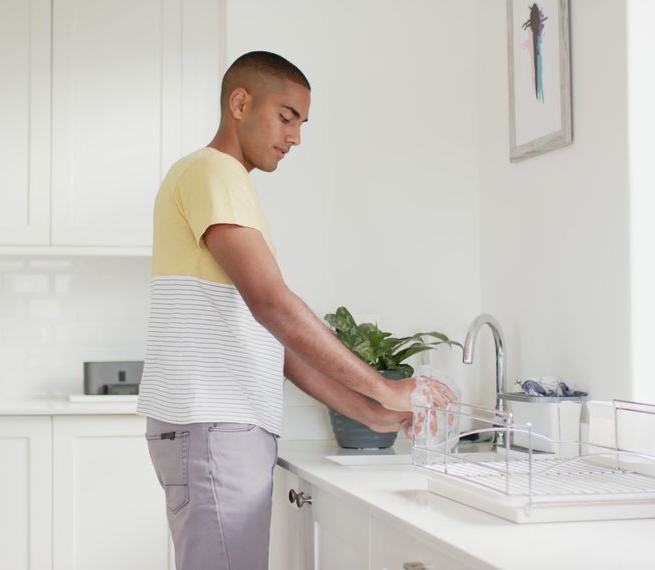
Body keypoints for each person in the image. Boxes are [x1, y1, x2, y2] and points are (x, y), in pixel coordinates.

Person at [136, 50, 455, 570]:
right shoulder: (214, 173)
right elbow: (274, 305)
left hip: (222, 427)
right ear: (240, 103)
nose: (295, 137)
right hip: (215, 424)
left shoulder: (225, 185)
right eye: (286, 116)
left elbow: (273, 342)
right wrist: (385, 386)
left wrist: (374, 414)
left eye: (302, 123)